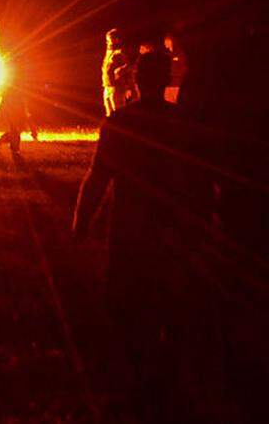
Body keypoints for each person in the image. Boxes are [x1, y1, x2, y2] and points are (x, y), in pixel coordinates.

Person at [72, 50, 222, 421]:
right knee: (171, 308)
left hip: (130, 232)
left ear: (136, 81)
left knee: (127, 309)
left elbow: (98, 177)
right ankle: (165, 388)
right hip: (172, 230)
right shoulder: (182, 122)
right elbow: (203, 177)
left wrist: (80, 223)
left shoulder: (121, 122)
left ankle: (137, 387)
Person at [102, 28, 134, 116]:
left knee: (119, 113)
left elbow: (129, 66)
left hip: (117, 88)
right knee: (109, 114)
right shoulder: (109, 52)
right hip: (107, 86)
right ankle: (110, 129)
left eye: (109, 40)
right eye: (107, 40)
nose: (107, 42)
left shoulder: (121, 52)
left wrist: (128, 87)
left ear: (116, 40)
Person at [163, 32, 187, 103]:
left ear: (173, 41)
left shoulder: (180, 53)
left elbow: (183, 68)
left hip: (177, 84)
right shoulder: (166, 55)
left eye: (168, 41)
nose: (165, 43)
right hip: (167, 84)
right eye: (165, 41)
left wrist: (178, 76)